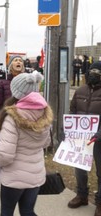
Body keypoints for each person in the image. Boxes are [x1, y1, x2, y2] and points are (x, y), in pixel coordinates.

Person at [0, 71, 53, 216]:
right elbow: (46, 143)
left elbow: (5, 155)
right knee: (28, 211)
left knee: (7, 212)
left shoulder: (12, 117)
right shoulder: (45, 113)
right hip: (36, 176)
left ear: (16, 92)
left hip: (14, 178)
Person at [67, 62, 101, 216]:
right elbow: (72, 112)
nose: (94, 73)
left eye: (98, 71)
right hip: (81, 139)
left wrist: (99, 134)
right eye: (92, 70)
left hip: (99, 140)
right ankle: (82, 195)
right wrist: (67, 130)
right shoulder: (80, 90)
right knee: (79, 168)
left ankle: (100, 202)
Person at [0, 55, 25, 121]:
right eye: (16, 60)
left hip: (23, 117)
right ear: (10, 65)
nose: (18, 62)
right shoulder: (3, 81)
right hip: (8, 118)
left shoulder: (27, 80)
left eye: (20, 61)